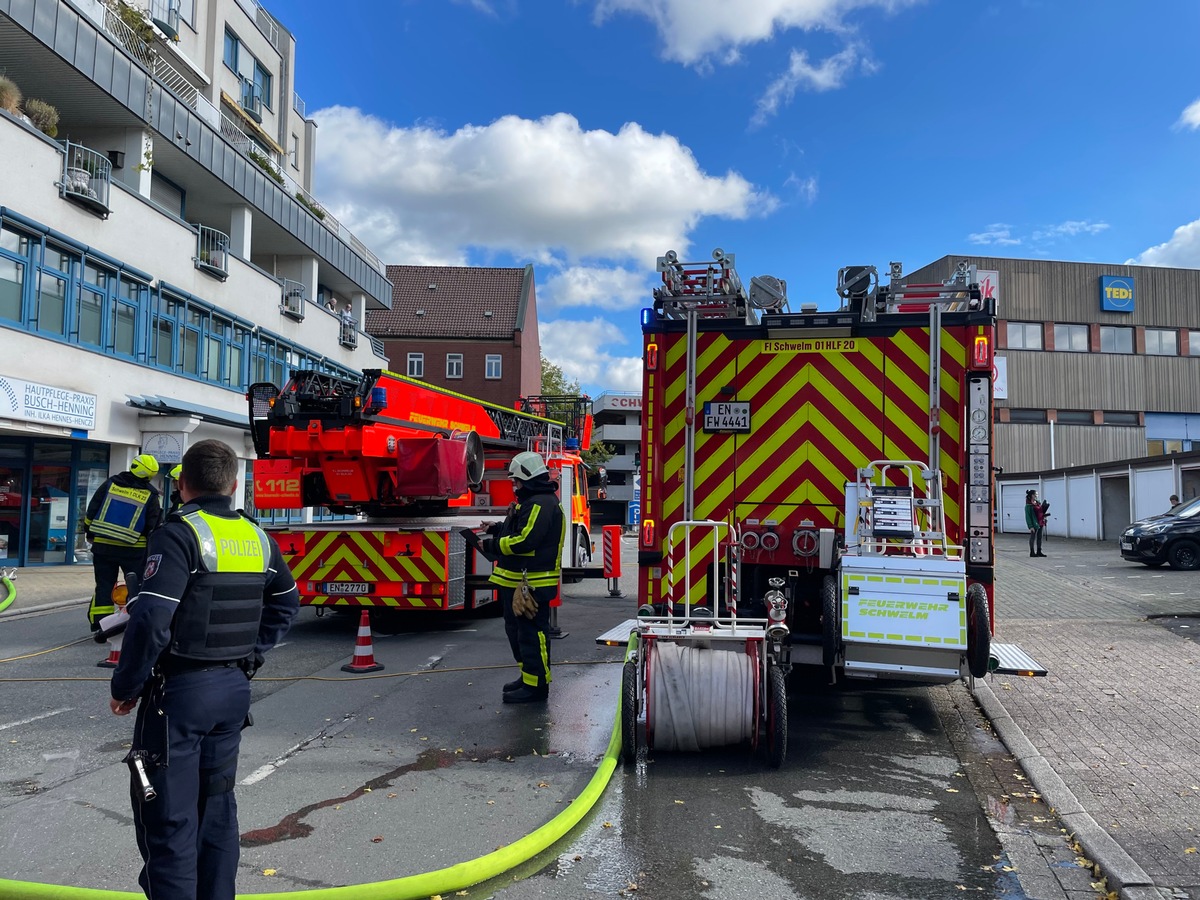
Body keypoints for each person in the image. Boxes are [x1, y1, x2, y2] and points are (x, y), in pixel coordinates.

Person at [109, 439, 298, 900]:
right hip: (232, 692)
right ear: (234, 485)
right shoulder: (258, 537)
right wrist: (250, 656)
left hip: (181, 696)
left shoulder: (179, 534)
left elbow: (152, 619)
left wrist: (126, 686)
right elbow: (286, 602)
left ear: (181, 484)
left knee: (170, 820)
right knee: (216, 813)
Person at [482, 451, 565, 704]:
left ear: (526, 479)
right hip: (518, 581)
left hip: (532, 584)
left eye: (516, 481)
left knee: (532, 634)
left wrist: (492, 546)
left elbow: (526, 540)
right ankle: (528, 676)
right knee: (518, 633)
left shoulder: (541, 503)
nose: (514, 486)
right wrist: (496, 528)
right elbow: (520, 528)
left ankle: (537, 687)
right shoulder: (533, 501)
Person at [84, 454, 162, 630]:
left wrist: (89, 532)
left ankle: (100, 625)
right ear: (150, 475)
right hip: (134, 551)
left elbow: (92, 510)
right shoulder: (150, 495)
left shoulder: (110, 484)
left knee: (104, 586)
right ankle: (133, 622)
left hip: (103, 547)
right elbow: (153, 526)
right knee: (136, 587)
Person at [1025, 489, 1046, 558]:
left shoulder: (1038, 503)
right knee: (1033, 537)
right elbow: (1028, 516)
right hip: (1034, 523)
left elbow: (1041, 512)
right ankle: (1032, 552)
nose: (1036, 496)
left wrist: (1044, 517)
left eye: (1037, 494)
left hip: (1040, 522)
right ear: (1031, 495)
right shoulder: (1028, 505)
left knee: (1040, 537)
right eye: (1035, 494)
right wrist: (1030, 526)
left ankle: (1039, 551)